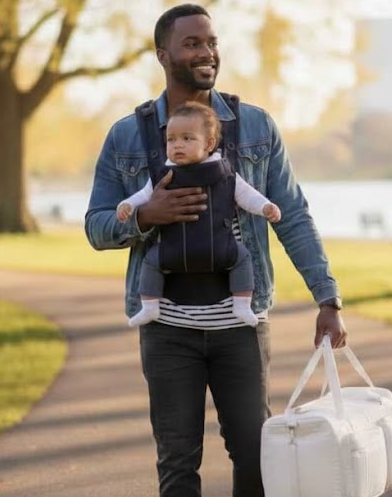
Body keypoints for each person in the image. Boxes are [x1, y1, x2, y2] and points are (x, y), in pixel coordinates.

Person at [85, 3, 346, 497]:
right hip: (167, 328)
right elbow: (96, 226)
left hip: (240, 323)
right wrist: (144, 216)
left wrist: (327, 296)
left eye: (211, 42)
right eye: (192, 44)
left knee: (256, 453)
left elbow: (291, 214)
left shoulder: (254, 127)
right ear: (163, 55)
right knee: (177, 460)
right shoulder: (127, 137)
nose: (206, 53)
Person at [117, 102, 282, 329]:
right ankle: (149, 306)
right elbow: (145, 195)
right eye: (171, 139)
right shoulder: (163, 174)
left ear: (210, 144)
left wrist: (265, 207)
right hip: (173, 250)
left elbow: (246, 195)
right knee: (150, 262)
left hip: (220, 248)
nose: (178, 145)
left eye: (187, 138)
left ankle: (242, 303)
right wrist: (128, 205)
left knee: (243, 258)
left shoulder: (225, 173)